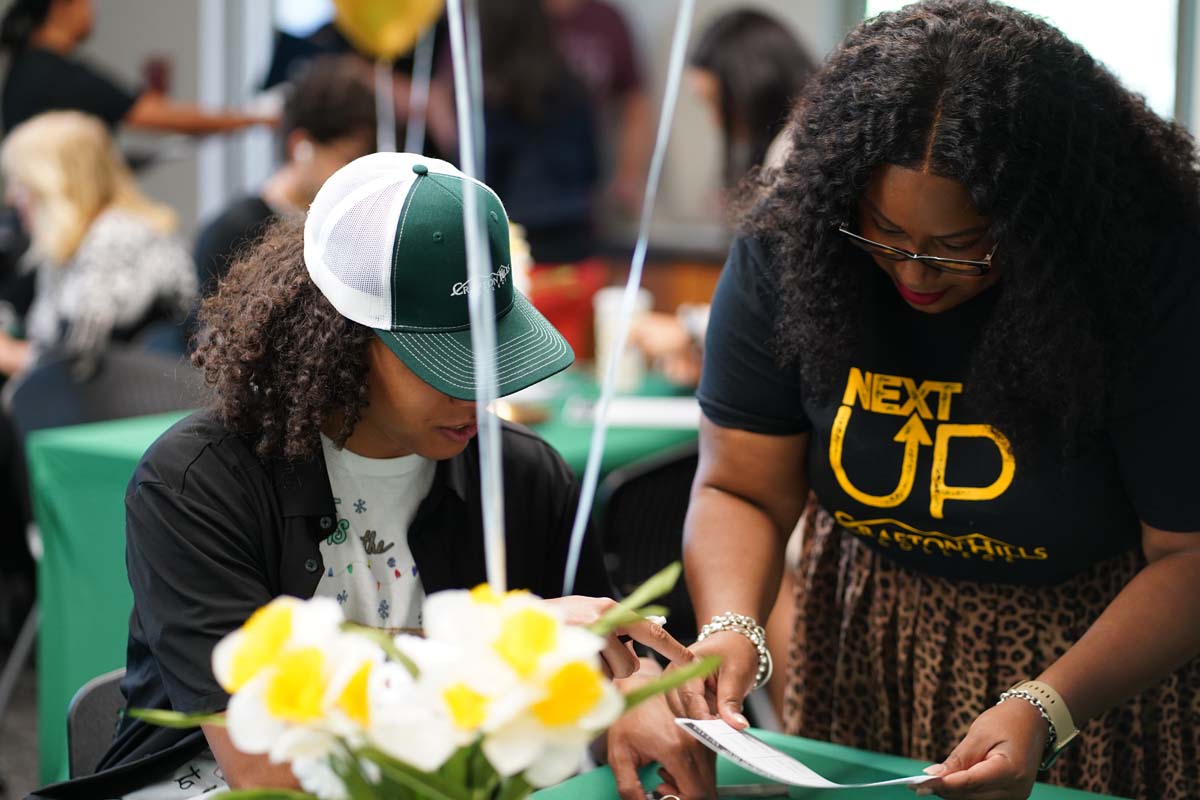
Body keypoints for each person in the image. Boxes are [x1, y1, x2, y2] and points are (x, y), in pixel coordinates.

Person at [643, 2, 1200, 799]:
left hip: (1097, 668)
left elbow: (1188, 556)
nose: (913, 271)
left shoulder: (1148, 277)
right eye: (883, 231)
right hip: (868, 645)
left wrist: (1049, 707)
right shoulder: (797, 238)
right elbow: (741, 485)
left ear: (1040, 224)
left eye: (960, 247)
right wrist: (733, 624)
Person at [26, 152, 691, 799]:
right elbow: (267, 768)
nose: (479, 394)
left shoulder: (524, 475)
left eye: (493, 353)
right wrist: (504, 646)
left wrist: (632, 698)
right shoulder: (195, 484)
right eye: (448, 362)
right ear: (341, 340)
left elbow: (600, 669)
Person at [0, 110, 196, 374]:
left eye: (21, 183)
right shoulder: (67, 247)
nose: (12, 197)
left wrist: (11, 355)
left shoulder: (118, 236)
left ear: (54, 184)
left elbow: (83, 364)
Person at [191, 55, 376, 310]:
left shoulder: (346, 234)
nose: (355, 173)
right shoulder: (232, 234)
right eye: (347, 158)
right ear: (302, 146)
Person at [0, 0, 274, 135]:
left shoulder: (28, 69)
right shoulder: (57, 76)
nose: (92, 9)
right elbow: (160, 116)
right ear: (62, 7)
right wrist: (256, 118)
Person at [542, 0, 651, 217]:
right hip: (517, 179)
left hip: (585, 184)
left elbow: (635, 104)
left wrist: (629, 174)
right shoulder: (514, 14)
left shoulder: (607, 20)